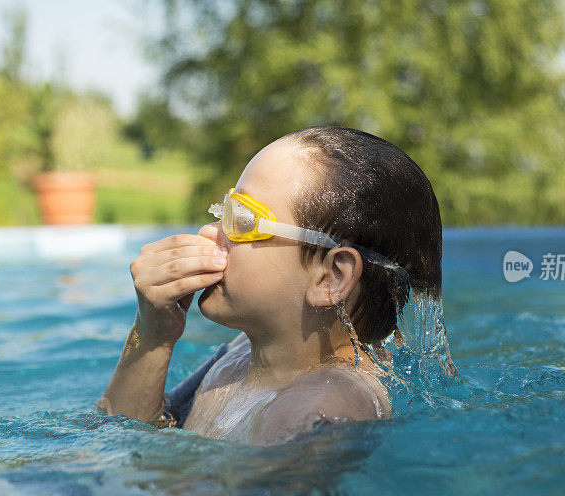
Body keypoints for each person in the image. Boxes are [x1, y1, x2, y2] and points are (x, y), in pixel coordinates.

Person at [96, 125, 443, 446]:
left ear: (331, 277)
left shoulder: (320, 410)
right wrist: (152, 333)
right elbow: (127, 433)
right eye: (224, 214)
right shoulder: (239, 357)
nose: (207, 233)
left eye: (243, 221)